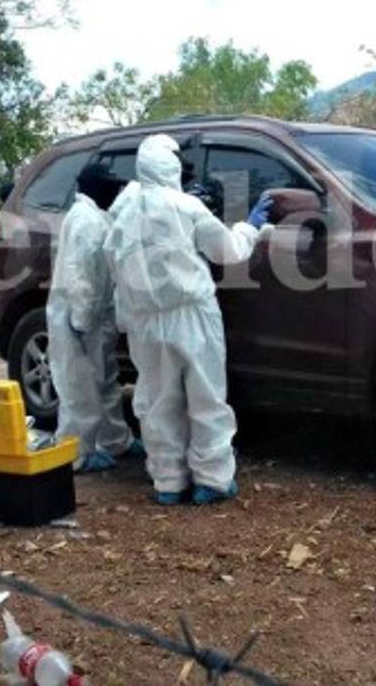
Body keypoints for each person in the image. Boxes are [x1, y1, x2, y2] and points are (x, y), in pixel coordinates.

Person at [103, 135, 272, 505]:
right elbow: (227, 251)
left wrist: (126, 319)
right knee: (206, 396)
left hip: (145, 322)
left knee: (157, 402)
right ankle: (212, 479)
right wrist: (251, 227)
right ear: (173, 166)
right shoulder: (185, 205)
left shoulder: (121, 215)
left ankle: (168, 482)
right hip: (192, 314)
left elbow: (115, 272)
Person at [47, 164, 142, 473]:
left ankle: (114, 440)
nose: (114, 191)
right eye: (109, 185)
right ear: (96, 187)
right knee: (78, 386)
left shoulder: (93, 217)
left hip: (94, 313)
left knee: (104, 379)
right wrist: (81, 318)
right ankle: (76, 452)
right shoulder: (86, 221)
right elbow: (79, 274)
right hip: (78, 315)